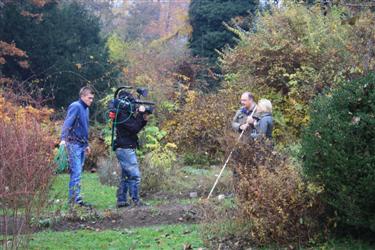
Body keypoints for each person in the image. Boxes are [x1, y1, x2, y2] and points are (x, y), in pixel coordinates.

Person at [60, 86, 94, 207]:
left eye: (92, 98)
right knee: (77, 172)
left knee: (77, 172)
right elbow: (67, 123)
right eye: (89, 98)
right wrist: (63, 139)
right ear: (83, 96)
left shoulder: (86, 109)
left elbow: (84, 129)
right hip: (73, 144)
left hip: (81, 144)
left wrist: (87, 145)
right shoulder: (76, 106)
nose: (91, 100)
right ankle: (75, 201)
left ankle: (75, 199)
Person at [114, 104, 149, 208]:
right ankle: (135, 201)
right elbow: (134, 128)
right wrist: (140, 113)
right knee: (134, 175)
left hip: (125, 148)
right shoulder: (122, 115)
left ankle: (122, 200)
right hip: (125, 149)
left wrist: (144, 119)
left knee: (125, 176)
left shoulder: (125, 115)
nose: (133, 106)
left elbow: (136, 126)